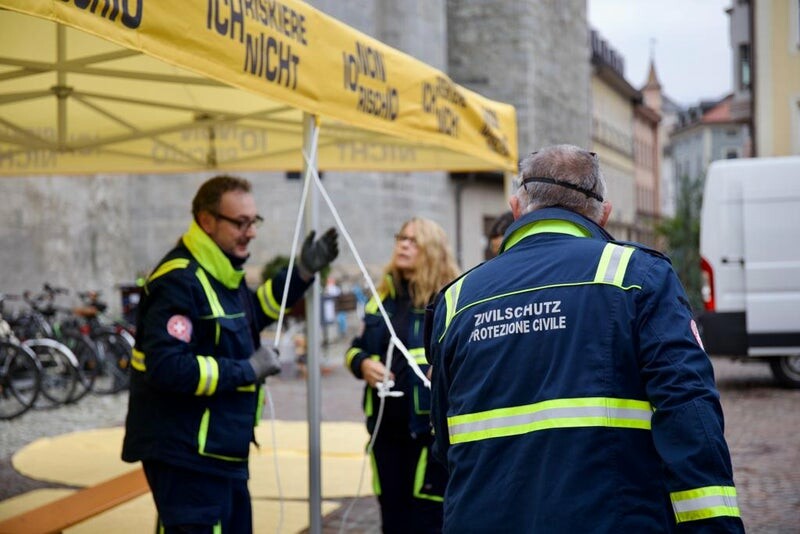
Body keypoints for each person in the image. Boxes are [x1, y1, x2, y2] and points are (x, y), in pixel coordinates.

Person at [426, 145, 744, 533]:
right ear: (603, 214)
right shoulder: (638, 277)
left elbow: (443, 439)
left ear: (516, 207)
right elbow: (690, 415)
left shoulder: (457, 300)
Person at [122, 174, 339, 533]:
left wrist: (300, 273)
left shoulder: (221, 270)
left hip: (221, 451)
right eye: (241, 222)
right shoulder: (178, 280)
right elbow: (167, 367)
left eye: (254, 221)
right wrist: (247, 370)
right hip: (187, 456)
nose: (251, 231)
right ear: (207, 221)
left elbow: (254, 310)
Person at [345, 217, 460, 534]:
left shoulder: (447, 300)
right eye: (400, 238)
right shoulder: (380, 299)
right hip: (385, 432)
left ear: (432, 251)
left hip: (429, 435)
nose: (403, 245)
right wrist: (363, 364)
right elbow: (354, 349)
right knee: (392, 518)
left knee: (427, 520)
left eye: (413, 240)